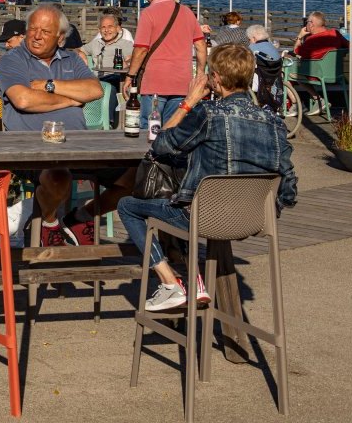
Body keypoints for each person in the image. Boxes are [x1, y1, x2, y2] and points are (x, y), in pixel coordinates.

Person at [117, 44, 297, 311]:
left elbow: (161, 144)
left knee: (128, 206)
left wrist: (188, 102)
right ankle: (195, 280)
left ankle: (170, 283)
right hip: (256, 220)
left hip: (205, 218)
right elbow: (289, 191)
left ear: (216, 79)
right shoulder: (274, 122)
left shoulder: (207, 114)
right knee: (178, 198)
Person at [0, 4, 102, 246]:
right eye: (32, 29)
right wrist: (72, 99)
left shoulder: (72, 59)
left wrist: (48, 85)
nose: (36, 36)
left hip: (79, 145)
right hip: (30, 148)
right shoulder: (13, 60)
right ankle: (50, 222)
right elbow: (23, 100)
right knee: (58, 175)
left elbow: (94, 90)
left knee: (134, 175)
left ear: (60, 38)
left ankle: (81, 216)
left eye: (45, 31)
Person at [122, 0, 206, 128]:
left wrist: (130, 76)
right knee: (171, 127)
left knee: (149, 127)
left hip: (156, 81)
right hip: (181, 81)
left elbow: (141, 49)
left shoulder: (148, 13)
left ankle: (149, 153)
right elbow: (200, 45)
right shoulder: (187, 12)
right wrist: (200, 72)